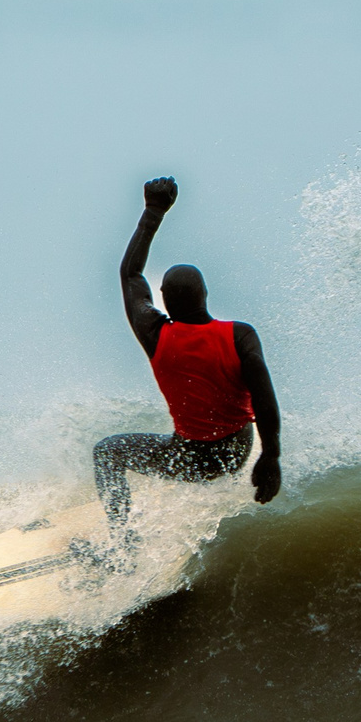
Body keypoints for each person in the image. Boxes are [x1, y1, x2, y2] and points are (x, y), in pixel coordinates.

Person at [93, 176, 282, 543]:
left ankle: (121, 540)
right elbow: (264, 399)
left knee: (108, 453)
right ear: (206, 294)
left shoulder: (154, 334)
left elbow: (130, 274)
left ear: (162, 298)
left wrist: (153, 212)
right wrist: (270, 457)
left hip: (190, 458)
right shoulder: (240, 335)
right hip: (236, 451)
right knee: (121, 450)